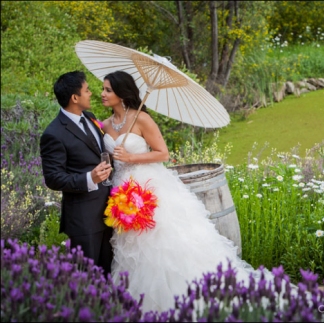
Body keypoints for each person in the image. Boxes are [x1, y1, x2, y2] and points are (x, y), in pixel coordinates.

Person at [101, 71, 260, 313]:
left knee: (160, 242)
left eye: (108, 90)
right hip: (120, 191)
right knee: (132, 247)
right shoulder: (105, 124)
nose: (102, 94)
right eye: (102, 89)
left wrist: (131, 156)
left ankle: (182, 296)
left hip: (149, 187)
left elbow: (162, 153)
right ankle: (140, 303)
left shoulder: (141, 119)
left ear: (122, 94)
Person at [40, 71, 114, 277]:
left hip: (110, 212)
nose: (91, 93)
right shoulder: (53, 134)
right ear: (75, 98)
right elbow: (53, 178)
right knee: (87, 281)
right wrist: (90, 178)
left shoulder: (90, 118)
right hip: (84, 220)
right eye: (87, 90)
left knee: (109, 276)